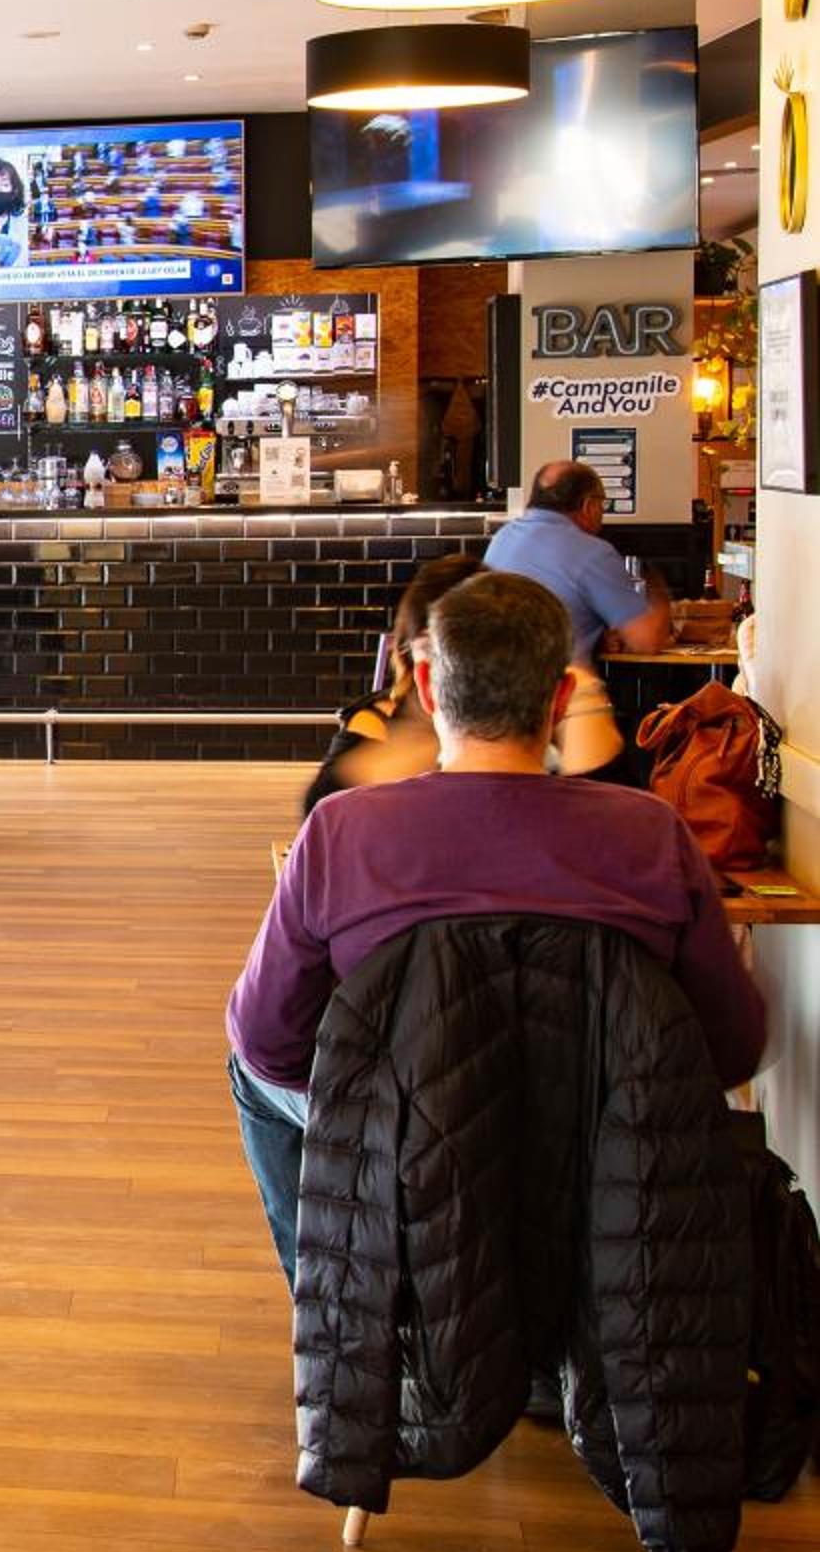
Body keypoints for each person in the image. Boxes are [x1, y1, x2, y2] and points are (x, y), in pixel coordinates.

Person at [227, 571, 763, 1282]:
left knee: (248, 1076)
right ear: (561, 697)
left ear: (426, 686)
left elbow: (268, 1041)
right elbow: (731, 1048)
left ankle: (336, 1292)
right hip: (605, 1160)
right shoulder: (653, 835)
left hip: (410, 1153)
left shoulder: (341, 832)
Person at [301, 553, 619, 816]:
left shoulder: (541, 714)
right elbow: (325, 809)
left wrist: (583, 698)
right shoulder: (376, 721)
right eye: (440, 647)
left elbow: (608, 816)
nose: (462, 662)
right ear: (418, 665)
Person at [483, 460, 673, 671]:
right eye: (602, 504)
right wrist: (658, 592)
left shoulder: (502, 538)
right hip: (558, 686)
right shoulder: (593, 553)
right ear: (588, 505)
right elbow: (647, 641)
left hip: (497, 683)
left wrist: (598, 634)